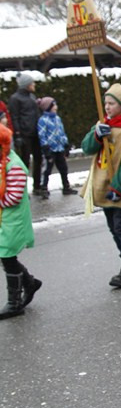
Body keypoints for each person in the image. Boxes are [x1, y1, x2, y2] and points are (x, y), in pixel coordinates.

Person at [80, 83, 121, 287]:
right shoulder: (102, 125)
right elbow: (87, 148)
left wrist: (119, 188)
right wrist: (96, 135)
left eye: (111, 103)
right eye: (105, 103)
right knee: (114, 228)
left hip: (119, 188)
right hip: (103, 185)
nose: (107, 107)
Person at [0, 125, 42, 319]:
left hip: (13, 220)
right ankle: (30, 283)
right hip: (5, 219)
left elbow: (14, 197)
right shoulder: (3, 162)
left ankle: (15, 303)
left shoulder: (13, 165)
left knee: (7, 256)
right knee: (7, 257)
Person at [8, 72, 42, 195]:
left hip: (36, 133)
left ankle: (37, 186)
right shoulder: (15, 99)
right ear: (26, 85)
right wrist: (17, 134)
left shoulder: (32, 97)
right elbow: (14, 117)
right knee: (24, 162)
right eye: (32, 83)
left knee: (38, 159)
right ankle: (23, 189)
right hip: (24, 134)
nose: (34, 84)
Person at [37, 97, 77, 196]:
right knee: (47, 170)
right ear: (48, 107)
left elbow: (61, 133)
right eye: (54, 105)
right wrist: (45, 148)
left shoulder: (57, 119)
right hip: (50, 149)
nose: (56, 107)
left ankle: (66, 186)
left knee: (63, 168)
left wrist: (66, 144)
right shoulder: (43, 120)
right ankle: (44, 187)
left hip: (59, 148)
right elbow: (42, 135)